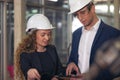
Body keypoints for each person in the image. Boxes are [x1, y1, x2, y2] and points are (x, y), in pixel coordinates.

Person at [66, 0, 120, 80]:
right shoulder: (76, 34)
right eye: (76, 15)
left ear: (92, 8)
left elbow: (116, 69)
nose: (80, 18)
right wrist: (71, 63)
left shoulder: (113, 34)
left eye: (83, 12)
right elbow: (73, 58)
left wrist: (90, 76)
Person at [14, 14, 65, 80]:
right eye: (43, 35)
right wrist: (29, 72)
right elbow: (27, 71)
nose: (47, 38)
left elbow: (60, 71)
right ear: (33, 35)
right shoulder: (25, 54)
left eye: (49, 34)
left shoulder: (52, 49)